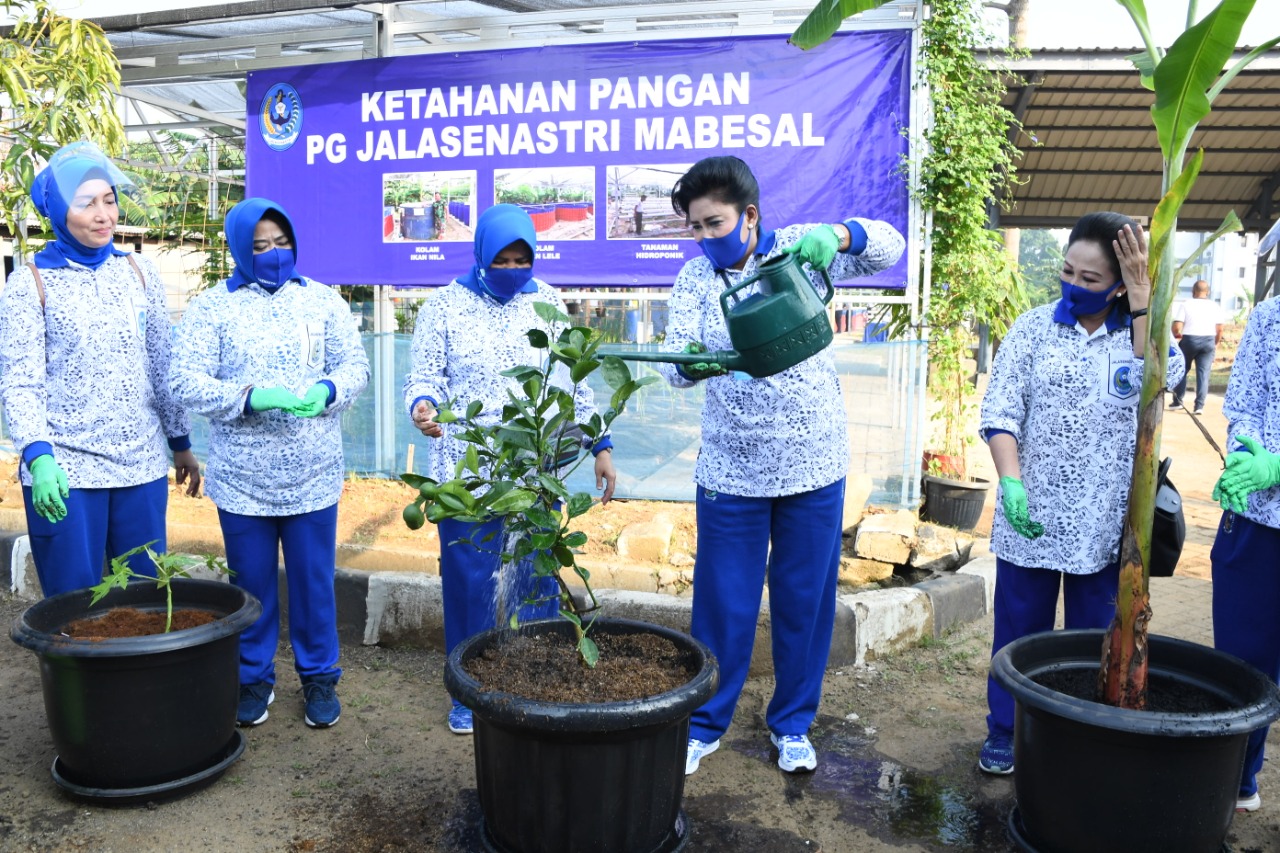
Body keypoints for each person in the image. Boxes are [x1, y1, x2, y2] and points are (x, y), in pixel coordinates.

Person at [656, 155, 904, 776]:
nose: (705, 238)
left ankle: (792, 724)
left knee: (804, 601)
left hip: (812, 466)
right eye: (695, 227)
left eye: (715, 224)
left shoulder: (799, 251)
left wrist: (840, 235)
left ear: (750, 215)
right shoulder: (693, 281)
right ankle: (706, 722)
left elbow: (891, 248)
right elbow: (673, 365)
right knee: (724, 603)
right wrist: (692, 362)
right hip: (732, 471)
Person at [978, 211, 1185, 775]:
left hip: (1105, 526)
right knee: (1018, 632)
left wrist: (1144, 300)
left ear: (1121, 283)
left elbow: (1165, 382)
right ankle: (1006, 730)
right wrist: (1012, 483)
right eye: (1068, 271)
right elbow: (1000, 414)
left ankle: (1077, 735)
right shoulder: (1032, 329)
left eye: (1091, 280)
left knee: (1093, 641)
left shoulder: (1138, 333)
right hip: (1033, 520)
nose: (1074, 285)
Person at [403, 203, 618, 736]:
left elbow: (576, 385)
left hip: (532, 467)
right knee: (470, 579)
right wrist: (424, 408)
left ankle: (532, 677)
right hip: (467, 467)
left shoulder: (545, 302)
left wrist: (601, 445)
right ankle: (469, 690)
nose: (514, 267)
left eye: (523, 257)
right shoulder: (444, 307)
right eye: (503, 258)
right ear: (481, 254)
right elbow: (423, 378)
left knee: (535, 574)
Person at [170, 198, 369, 729]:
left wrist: (329, 388)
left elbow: (355, 366)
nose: (273, 253)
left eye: (281, 243)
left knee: (313, 583)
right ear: (239, 248)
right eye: (259, 246)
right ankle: (254, 679)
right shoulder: (214, 307)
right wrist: (250, 396)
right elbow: (184, 379)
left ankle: (320, 677)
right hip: (243, 480)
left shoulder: (322, 302)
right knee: (250, 585)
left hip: (312, 474)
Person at [0, 140, 200, 598]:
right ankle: (76, 674)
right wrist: (39, 455)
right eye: (86, 203)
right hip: (68, 471)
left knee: (146, 597)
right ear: (57, 210)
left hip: (140, 465)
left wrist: (180, 443)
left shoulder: (140, 272)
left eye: (109, 200)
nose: (103, 214)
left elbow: (160, 362)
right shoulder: (29, 283)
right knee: (76, 604)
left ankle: (141, 674)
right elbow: (20, 380)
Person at [1208, 295, 1280, 814]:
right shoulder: (1270, 315)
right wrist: (1244, 452)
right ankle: (1238, 777)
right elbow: (1246, 403)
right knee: (1243, 658)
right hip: (1257, 520)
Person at [1171, 278, 1224, 414]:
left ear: (1193, 291)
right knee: (1203, 374)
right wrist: (1215, 344)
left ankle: (1178, 402)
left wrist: (1178, 335)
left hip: (1189, 339)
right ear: (1208, 292)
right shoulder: (1215, 306)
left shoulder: (1186, 304)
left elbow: (1177, 326)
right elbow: (1219, 329)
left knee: (1182, 370)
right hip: (1208, 341)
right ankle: (1199, 406)